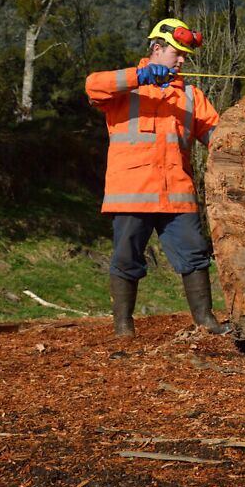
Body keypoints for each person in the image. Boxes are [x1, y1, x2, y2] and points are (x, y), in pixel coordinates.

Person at [85, 18, 227, 338]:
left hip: (177, 195)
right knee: (126, 258)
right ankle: (123, 327)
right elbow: (92, 85)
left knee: (195, 255)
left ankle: (205, 320)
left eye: (185, 56)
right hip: (132, 193)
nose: (182, 61)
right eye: (177, 53)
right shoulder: (125, 88)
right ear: (156, 49)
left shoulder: (191, 96)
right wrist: (140, 75)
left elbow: (221, 139)